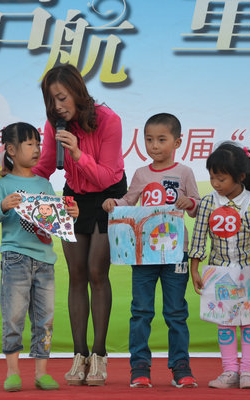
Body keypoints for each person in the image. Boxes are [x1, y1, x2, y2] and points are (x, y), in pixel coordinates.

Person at [33, 64, 127, 386]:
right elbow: (45, 166)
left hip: (108, 197)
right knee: (76, 274)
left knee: (97, 272)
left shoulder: (109, 120)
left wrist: (76, 152)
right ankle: (79, 354)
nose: (57, 106)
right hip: (74, 198)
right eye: (51, 100)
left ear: (77, 92)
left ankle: (99, 355)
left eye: (61, 98)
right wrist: (16, 176)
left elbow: (105, 176)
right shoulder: (54, 125)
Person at [102, 113, 201, 388]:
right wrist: (114, 203)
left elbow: (197, 206)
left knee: (176, 311)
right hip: (144, 252)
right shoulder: (141, 174)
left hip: (176, 252)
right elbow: (128, 200)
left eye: (161, 139)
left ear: (177, 142)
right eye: (149, 140)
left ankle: (181, 367)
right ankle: (139, 367)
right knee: (141, 310)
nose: (154, 146)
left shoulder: (185, 172)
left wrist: (189, 202)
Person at [0, 122, 79, 392]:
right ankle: (13, 372)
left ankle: (41, 373)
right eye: (30, 144)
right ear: (11, 150)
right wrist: (3, 205)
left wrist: (71, 215)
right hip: (15, 259)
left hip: (45, 261)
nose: (37, 149)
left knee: (44, 319)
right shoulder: (2, 185)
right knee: (13, 317)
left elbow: (56, 220)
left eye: (38, 144)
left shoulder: (44, 183)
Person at [189, 141, 250, 390]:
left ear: (240, 177)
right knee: (225, 321)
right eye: (212, 178)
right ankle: (230, 371)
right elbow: (199, 237)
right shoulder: (208, 203)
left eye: (221, 179)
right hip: (219, 272)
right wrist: (195, 269)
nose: (215, 184)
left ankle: (249, 372)